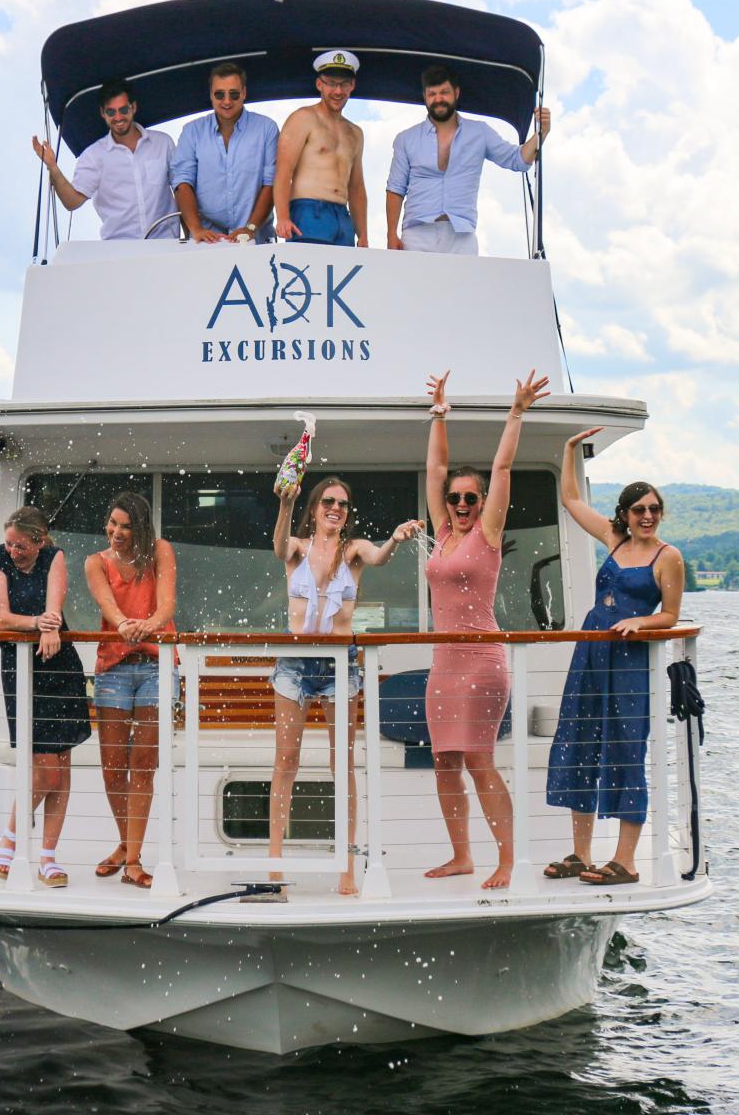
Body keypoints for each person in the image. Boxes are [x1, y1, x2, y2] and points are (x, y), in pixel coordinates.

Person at [423, 367, 549, 889]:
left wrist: (516, 412)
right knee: (444, 761)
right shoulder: (442, 534)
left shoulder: (487, 534)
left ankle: (505, 858)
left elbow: (502, 467)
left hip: (481, 661)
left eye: (469, 499)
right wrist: (438, 414)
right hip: (444, 663)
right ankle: (461, 855)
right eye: (455, 499)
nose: (460, 505)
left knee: (479, 760)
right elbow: (435, 468)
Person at [544, 432, 684, 886]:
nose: (647, 516)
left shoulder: (668, 556)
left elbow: (670, 614)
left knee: (627, 749)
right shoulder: (614, 540)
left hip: (629, 664)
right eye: (639, 509)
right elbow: (569, 497)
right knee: (580, 741)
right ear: (624, 514)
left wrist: (642, 623)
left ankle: (625, 860)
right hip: (592, 653)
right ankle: (581, 854)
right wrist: (568, 450)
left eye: (654, 509)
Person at [271, 477, 421, 895]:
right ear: (315, 508)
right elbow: (279, 545)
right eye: (328, 502)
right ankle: (275, 865)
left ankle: (347, 866)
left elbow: (380, 559)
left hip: (340, 666)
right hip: (295, 665)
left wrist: (393, 539)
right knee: (286, 761)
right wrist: (286, 503)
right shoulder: (297, 549)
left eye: (343, 504)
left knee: (344, 766)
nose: (335, 508)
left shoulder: (353, 551)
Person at [0, 507, 90, 888]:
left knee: (61, 764)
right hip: (21, 669)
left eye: (21, 545)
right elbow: (3, 617)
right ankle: (9, 839)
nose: (13, 550)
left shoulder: (53, 556)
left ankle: (47, 857)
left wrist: (51, 622)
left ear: (39, 541)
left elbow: (54, 605)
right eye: (10, 543)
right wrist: (40, 625)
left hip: (59, 667)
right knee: (44, 767)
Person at [84, 492, 177, 889]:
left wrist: (148, 626)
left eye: (125, 526)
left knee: (143, 763)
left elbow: (167, 607)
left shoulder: (160, 550)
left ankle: (133, 861)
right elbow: (108, 606)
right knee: (111, 766)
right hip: (114, 668)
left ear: (140, 528)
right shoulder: (96, 563)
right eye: (112, 523)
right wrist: (124, 624)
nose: (116, 532)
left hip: (157, 665)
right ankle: (126, 843)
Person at [386, 64, 550, 255]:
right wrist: (391, 233)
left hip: (462, 235)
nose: (438, 99)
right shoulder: (406, 139)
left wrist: (542, 133)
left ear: (456, 92)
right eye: (432, 94)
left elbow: (517, 160)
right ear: (425, 97)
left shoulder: (480, 132)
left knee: (463, 286)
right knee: (413, 286)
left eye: (444, 92)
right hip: (417, 233)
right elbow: (395, 188)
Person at [31, 79, 177, 241]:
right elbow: (71, 202)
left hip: (166, 244)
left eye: (123, 109)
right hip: (118, 251)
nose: (118, 117)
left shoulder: (163, 143)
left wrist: (191, 237)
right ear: (103, 113)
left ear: (133, 107)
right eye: (111, 112)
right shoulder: (94, 156)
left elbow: (182, 189)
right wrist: (52, 166)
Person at [170, 62, 279, 244]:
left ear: (244, 93)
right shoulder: (191, 131)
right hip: (207, 241)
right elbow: (182, 182)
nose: (227, 101)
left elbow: (272, 183)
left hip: (256, 240)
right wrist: (196, 229)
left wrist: (250, 228)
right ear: (211, 95)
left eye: (234, 94)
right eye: (219, 94)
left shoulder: (267, 128)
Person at [273, 51, 367, 248]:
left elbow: (356, 188)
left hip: (342, 216)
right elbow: (283, 170)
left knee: (345, 276)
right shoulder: (303, 118)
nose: (338, 91)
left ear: (352, 86)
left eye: (344, 84)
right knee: (309, 276)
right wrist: (282, 217)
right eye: (331, 83)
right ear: (319, 85)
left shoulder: (355, 132)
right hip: (309, 212)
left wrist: (363, 234)